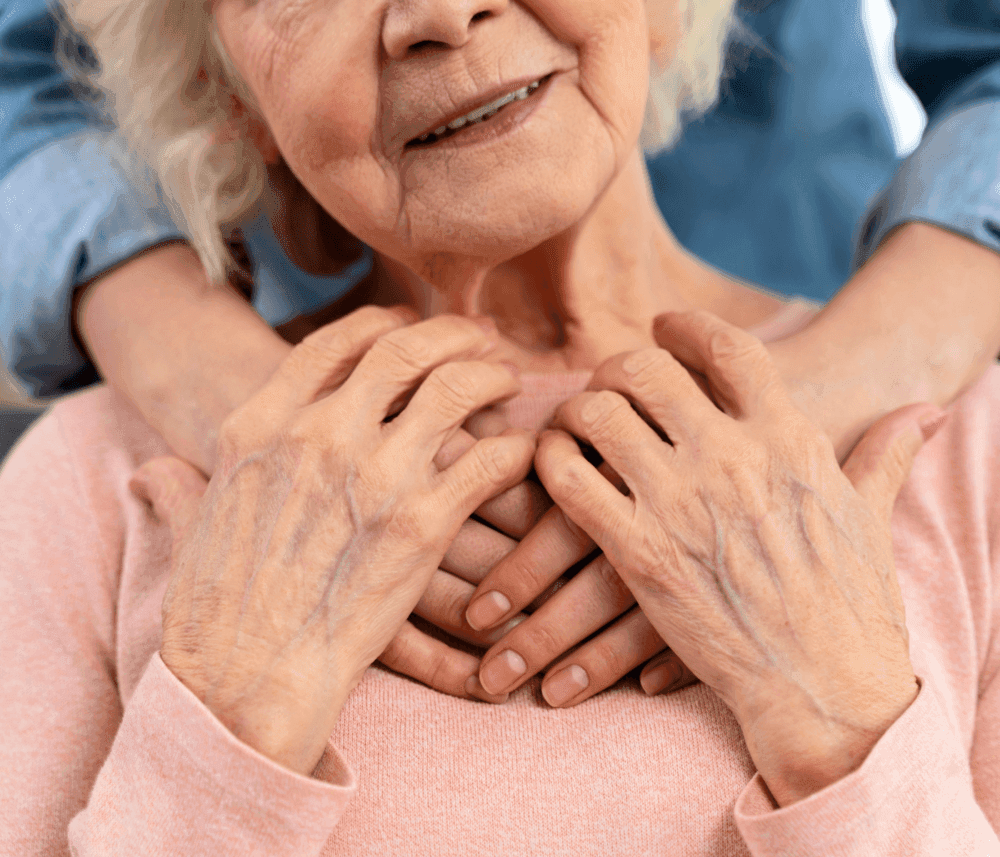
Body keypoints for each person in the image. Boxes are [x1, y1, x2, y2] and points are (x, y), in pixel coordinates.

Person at [2, 0, 1000, 854]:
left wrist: (847, 729)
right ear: (234, 101)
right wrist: (228, 729)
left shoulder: (963, 451)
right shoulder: (92, 480)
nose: (436, 12)